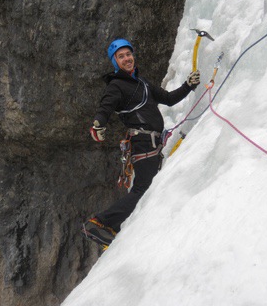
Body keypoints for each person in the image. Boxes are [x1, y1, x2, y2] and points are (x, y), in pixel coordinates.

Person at [82, 38, 200, 247]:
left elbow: (169, 98)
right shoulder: (116, 85)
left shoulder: (142, 83)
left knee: (147, 187)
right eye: (121, 56)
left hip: (150, 142)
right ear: (115, 62)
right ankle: (98, 224)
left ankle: (115, 227)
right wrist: (98, 124)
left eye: (128, 54)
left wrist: (188, 86)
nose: (127, 58)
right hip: (143, 141)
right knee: (143, 188)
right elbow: (106, 106)